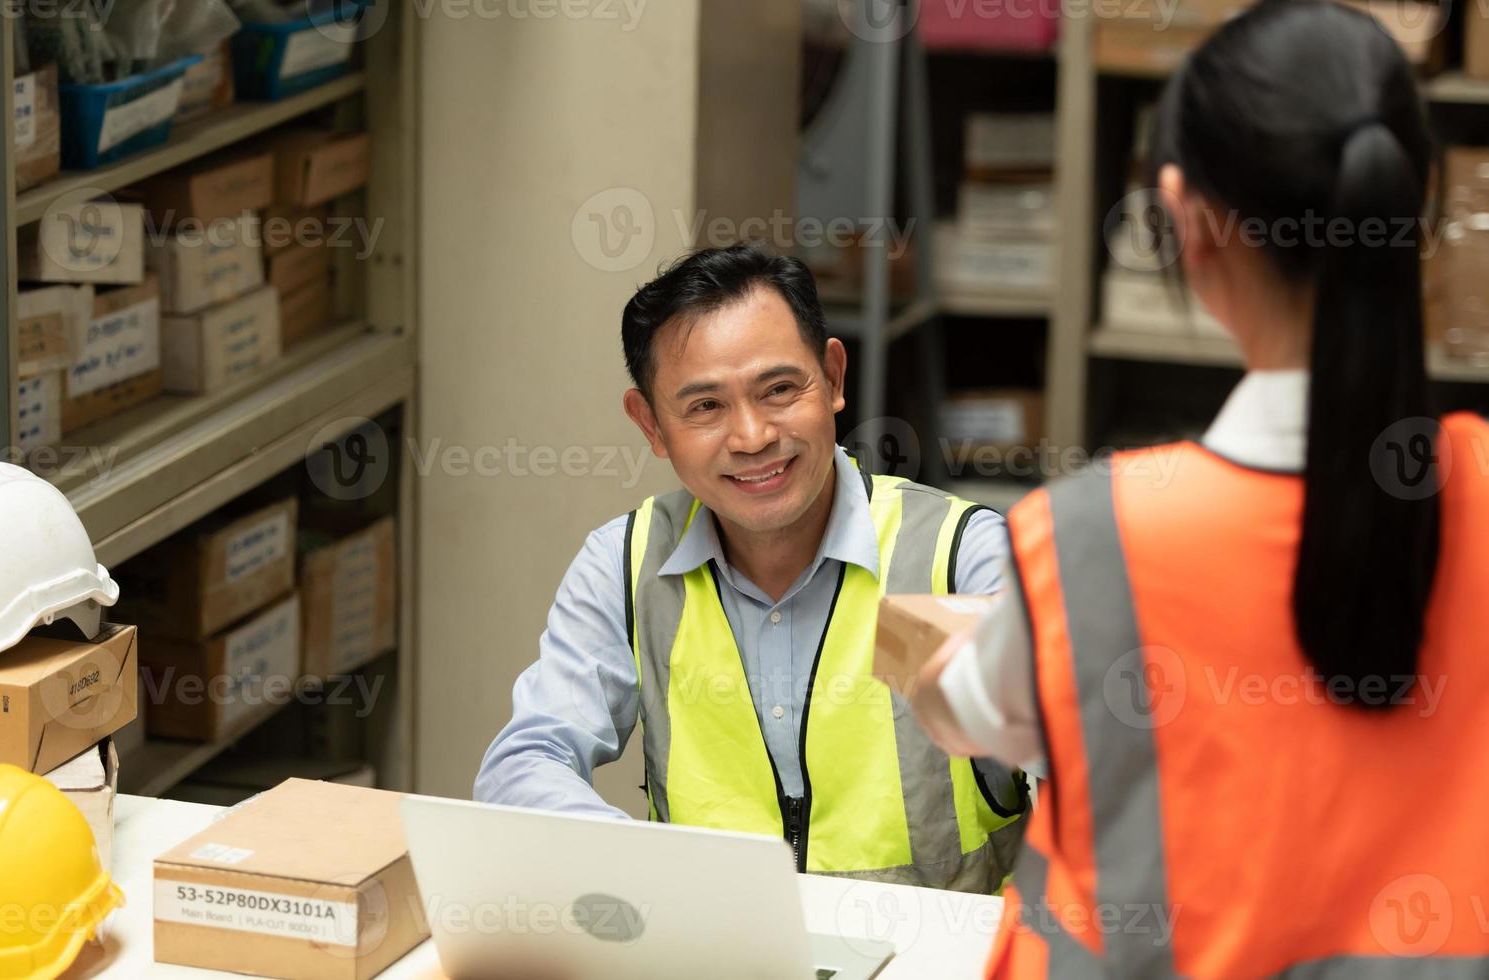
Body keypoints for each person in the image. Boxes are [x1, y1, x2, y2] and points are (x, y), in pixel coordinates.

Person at [911, 1, 1489, 973]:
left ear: (1186, 217)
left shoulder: (1090, 535)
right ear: (1417, 209)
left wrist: (929, 656)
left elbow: (977, 707)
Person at [476, 243, 1029, 892]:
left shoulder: (958, 556)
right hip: (718, 952)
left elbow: (1084, 758)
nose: (752, 437)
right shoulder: (627, 567)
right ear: (651, 424)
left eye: (779, 389)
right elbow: (525, 760)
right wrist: (636, 868)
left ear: (833, 378)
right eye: (705, 407)